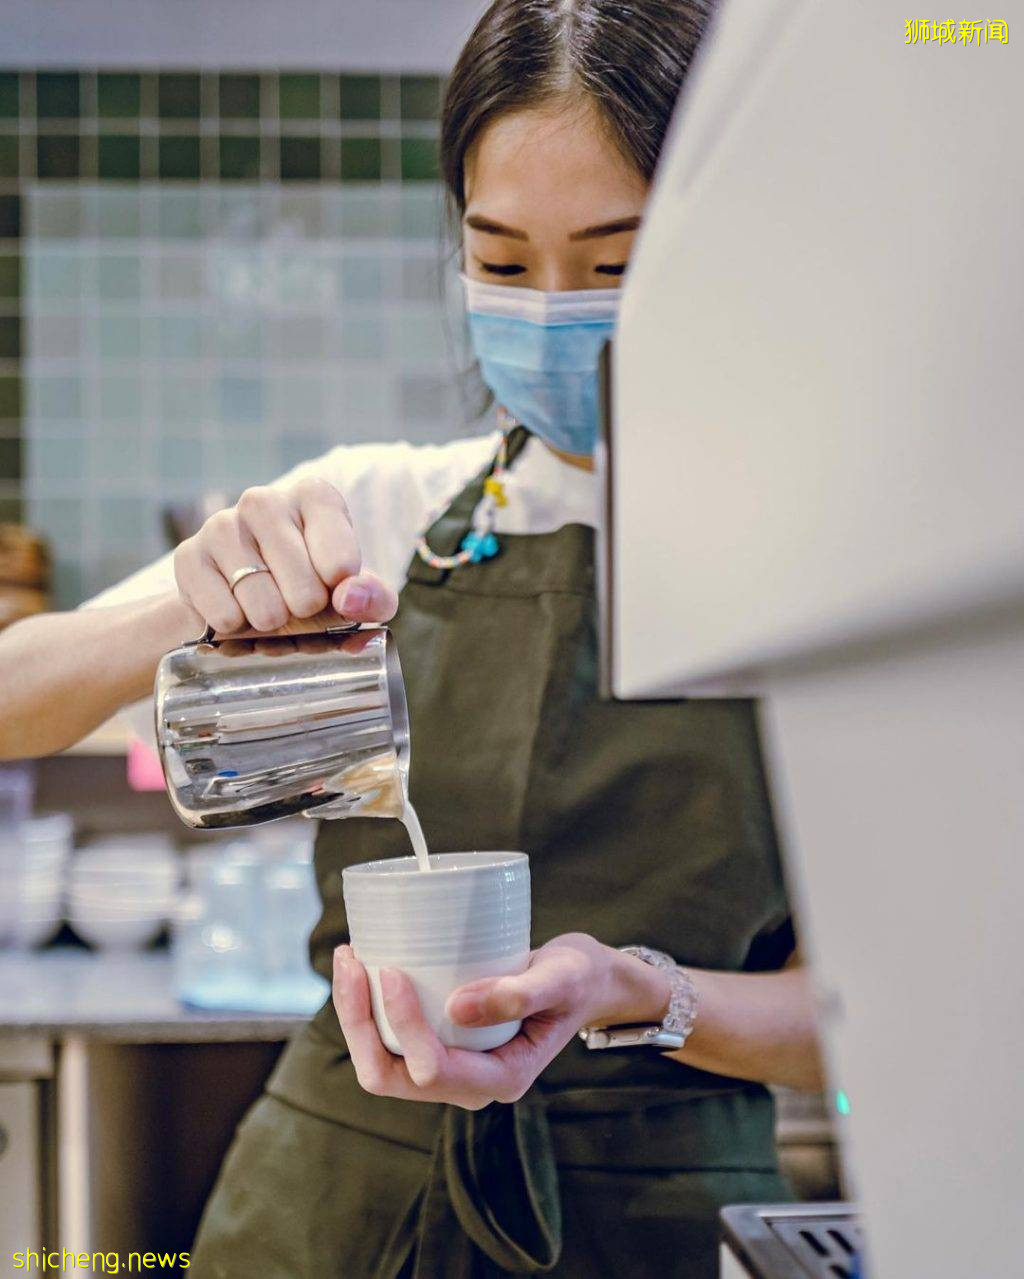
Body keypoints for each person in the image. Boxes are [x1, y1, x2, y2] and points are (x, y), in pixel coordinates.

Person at [0, 2, 825, 1274]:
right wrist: (193, 602)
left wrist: (640, 992)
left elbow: (874, 1015)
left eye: (614, 266)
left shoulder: (828, 568)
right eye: (501, 263)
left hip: (656, 1209)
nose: (551, 312)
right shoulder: (380, 512)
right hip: (330, 1197)